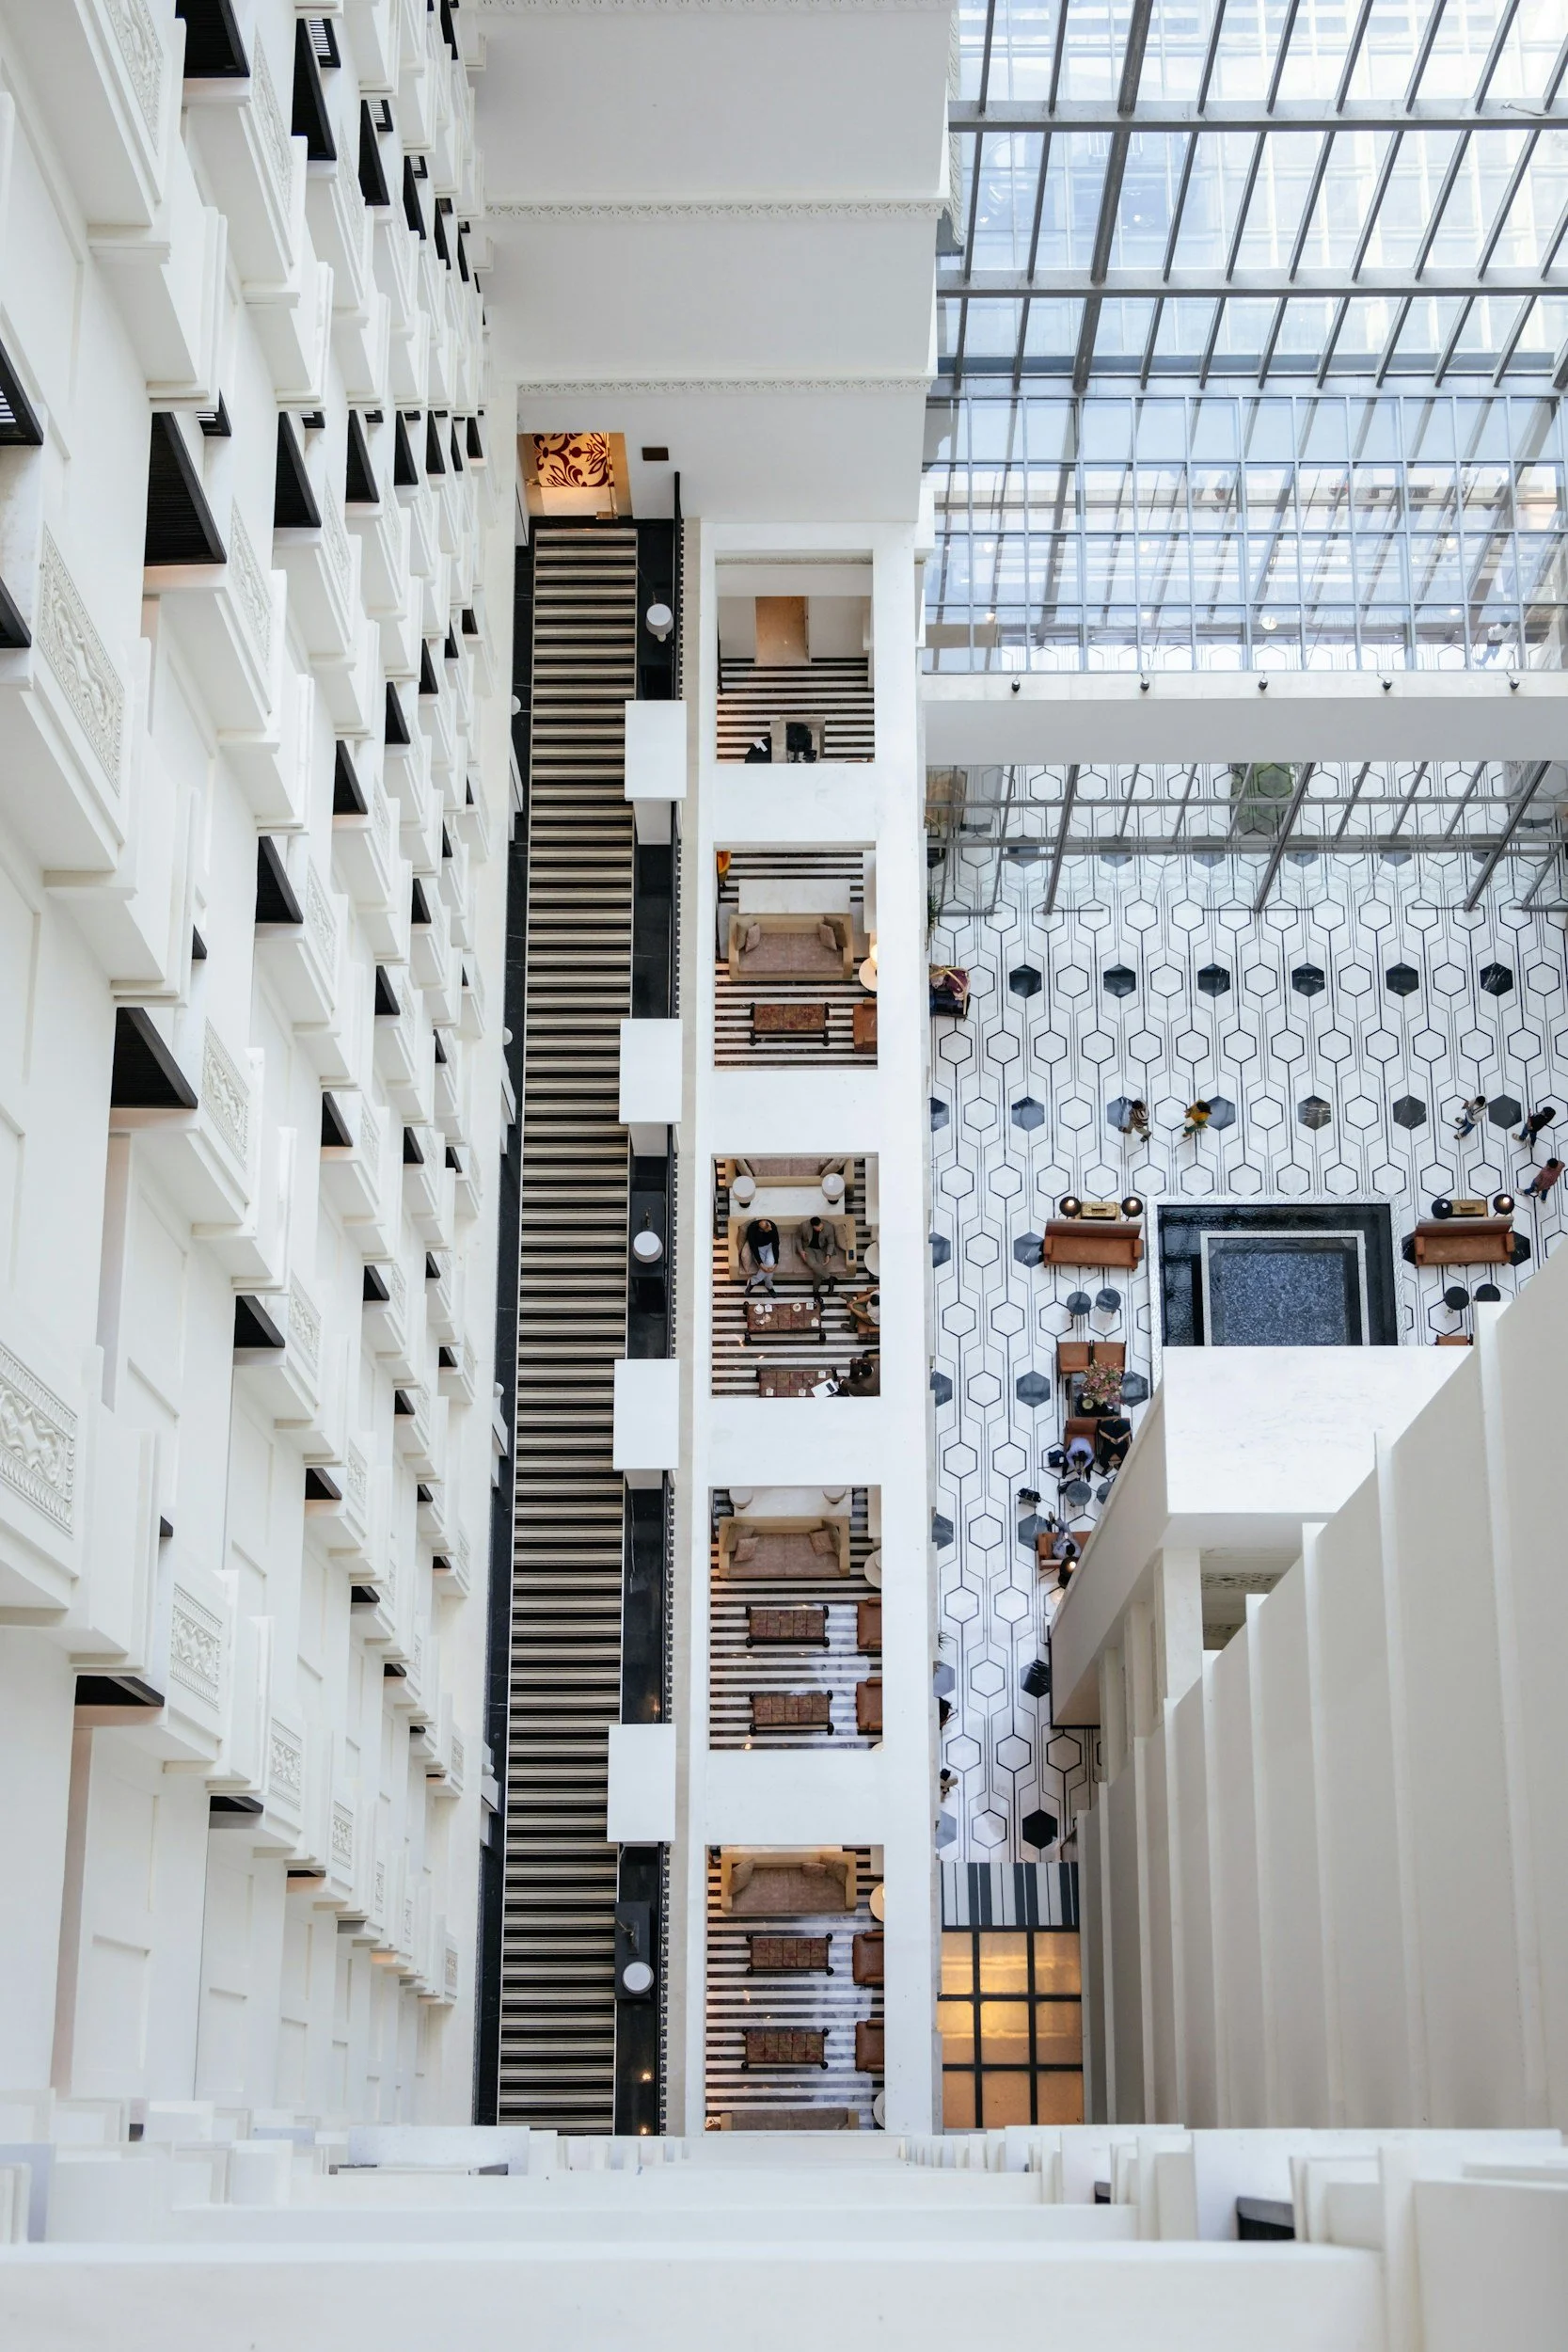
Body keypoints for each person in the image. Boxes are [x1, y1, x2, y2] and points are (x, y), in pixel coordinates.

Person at [796, 1214, 840, 1297]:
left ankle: (815, 1291)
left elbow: (831, 1243)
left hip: (821, 1249)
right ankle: (830, 1278)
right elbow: (798, 1238)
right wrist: (801, 1251)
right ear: (813, 1226)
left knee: (819, 1269)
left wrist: (828, 1255)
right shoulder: (804, 1226)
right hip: (808, 1248)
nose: (820, 1229)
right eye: (818, 1228)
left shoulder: (828, 1227)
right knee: (812, 1264)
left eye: (821, 1227)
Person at [740, 1216, 781, 1295]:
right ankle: (769, 1285)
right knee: (765, 1267)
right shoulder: (752, 1230)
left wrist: (776, 1262)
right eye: (768, 1229)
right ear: (761, 1230)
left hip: (770, 1246)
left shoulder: (772, 1225)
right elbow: (754, 1248)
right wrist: (760, 1263)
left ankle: (752, 1281)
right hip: (759, 1248)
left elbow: (776, 1243)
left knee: (770, 1264)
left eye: (769, 1226)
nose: (771, 1229)